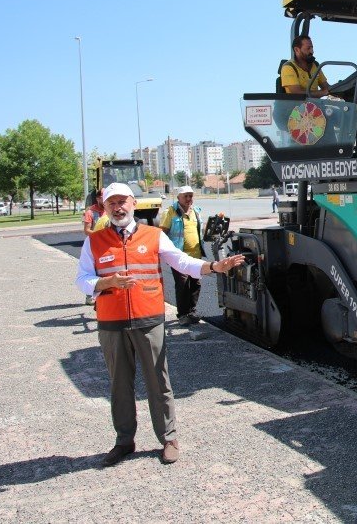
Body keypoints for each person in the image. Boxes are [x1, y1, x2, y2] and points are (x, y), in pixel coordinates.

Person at [75, 183, 245, 467]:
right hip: (112, 323)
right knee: (119, 385)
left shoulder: (153, 235)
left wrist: (213, 267)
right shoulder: (94, 241)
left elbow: (182, 262)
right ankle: (124, 441)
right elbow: (82, 279)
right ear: (104, 208)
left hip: (148, 320)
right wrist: (105, 283)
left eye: (122, 202)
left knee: (158, 382)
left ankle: (169, 438)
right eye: (111, 203)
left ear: (133, 203)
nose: (118, 208)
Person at [158, 185, 205, 325]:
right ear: (178, 197)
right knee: (183, 285)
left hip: (195, 255)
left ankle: (192, 311)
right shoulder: (170, 212)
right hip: (178, 257)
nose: (189, 198)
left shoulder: (196, 211)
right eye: (186, 196)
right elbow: (162, 233)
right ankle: (183, 314)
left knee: (196, 283)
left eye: (191, 196)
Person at [82, 191, 106, 305]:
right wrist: (100, 236)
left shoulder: (109, 210)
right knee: (93, 270)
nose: (105, 199)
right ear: (97, 198)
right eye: (103, 197)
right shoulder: (90, 212)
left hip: (107, 245)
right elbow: (87, 230)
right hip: (95, 245)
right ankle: (90, 296)